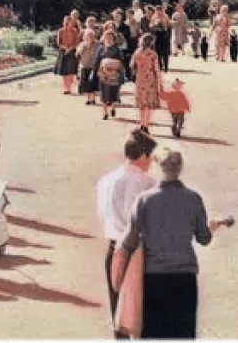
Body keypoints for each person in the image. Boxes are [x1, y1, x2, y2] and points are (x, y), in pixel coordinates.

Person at [113, 148, 228, 343]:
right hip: (185, 276)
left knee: (153, 333)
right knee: (183, 334)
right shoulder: (193, 198)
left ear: (159, 169)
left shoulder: (144, 200)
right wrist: (211, 227)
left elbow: (129, 241)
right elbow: (203, 238)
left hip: (153, 277)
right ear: (180, 169)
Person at [96, 129, 157, 343]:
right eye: (150, 157)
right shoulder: (149, 183)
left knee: (119, 313)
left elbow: (102, 214)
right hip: (140, 251)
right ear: (143, 156)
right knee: (142, 311)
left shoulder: (106, 181)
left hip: (114, 248)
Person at [131, 33, 162, 133]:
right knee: (149, 104)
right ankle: (146, 124)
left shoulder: (137, 53)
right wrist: (160, 83)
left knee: (141, 104)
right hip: (150, 79)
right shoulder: (153, 55)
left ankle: (141, 123)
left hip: (140, 79)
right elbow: (156, 69)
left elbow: (132, 66)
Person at [95, 31, 125, 120]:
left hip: (114, 74)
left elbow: (121, 60)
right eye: (107, 37)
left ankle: (112, 107)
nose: (108, 39)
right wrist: (96, 71)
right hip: (103, 73)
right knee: (103, 93)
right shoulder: (101, 49)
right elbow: (97, 60)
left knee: (112, 92)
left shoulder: (117, 49)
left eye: (110, 37)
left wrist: (119, 72)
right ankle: (105, 113)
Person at [55, 14, 80, 94]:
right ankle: (65, 88)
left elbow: (77, 42)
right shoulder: (61, 31)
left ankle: (70, 87)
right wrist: (65, 48)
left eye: (71, 22)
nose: (70, 24)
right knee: (64, 72)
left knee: (71, 71)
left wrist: (71, 48)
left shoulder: (75, 31)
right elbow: (58, 42)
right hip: (63, 52)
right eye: (68, 22)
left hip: (72, 52)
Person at [77, 28, 100, 103]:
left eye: (91, 35)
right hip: (84, 65)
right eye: (88, 35)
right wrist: (86, 46)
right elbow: (78, 54)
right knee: (85, 83)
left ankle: (93, 98)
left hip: (94, 66)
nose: (90, 37)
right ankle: (88, 98)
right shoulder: (82, 44)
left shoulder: (98, 44)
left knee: (92, 83)